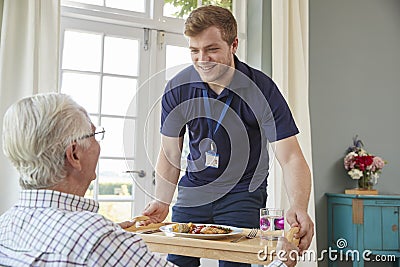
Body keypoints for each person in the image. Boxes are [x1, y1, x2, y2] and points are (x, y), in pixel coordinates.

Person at [142, 5, 314, 267]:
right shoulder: (177, 87)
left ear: (234, 44)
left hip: (242, 193)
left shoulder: (262, 89)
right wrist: (162, 201)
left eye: (212, 49)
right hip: (194, 191)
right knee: (177, 262)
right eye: (194, 51)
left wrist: (299, 206)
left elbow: (290, 157)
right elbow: (169, 153)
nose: (202, 59)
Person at [0, 93, 175, 266]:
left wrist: (113, 238)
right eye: (94, 135)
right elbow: (88, 241)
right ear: (74, 154)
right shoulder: (95, 237)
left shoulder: (6, 224)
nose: (98, 144)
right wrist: (109, 239)